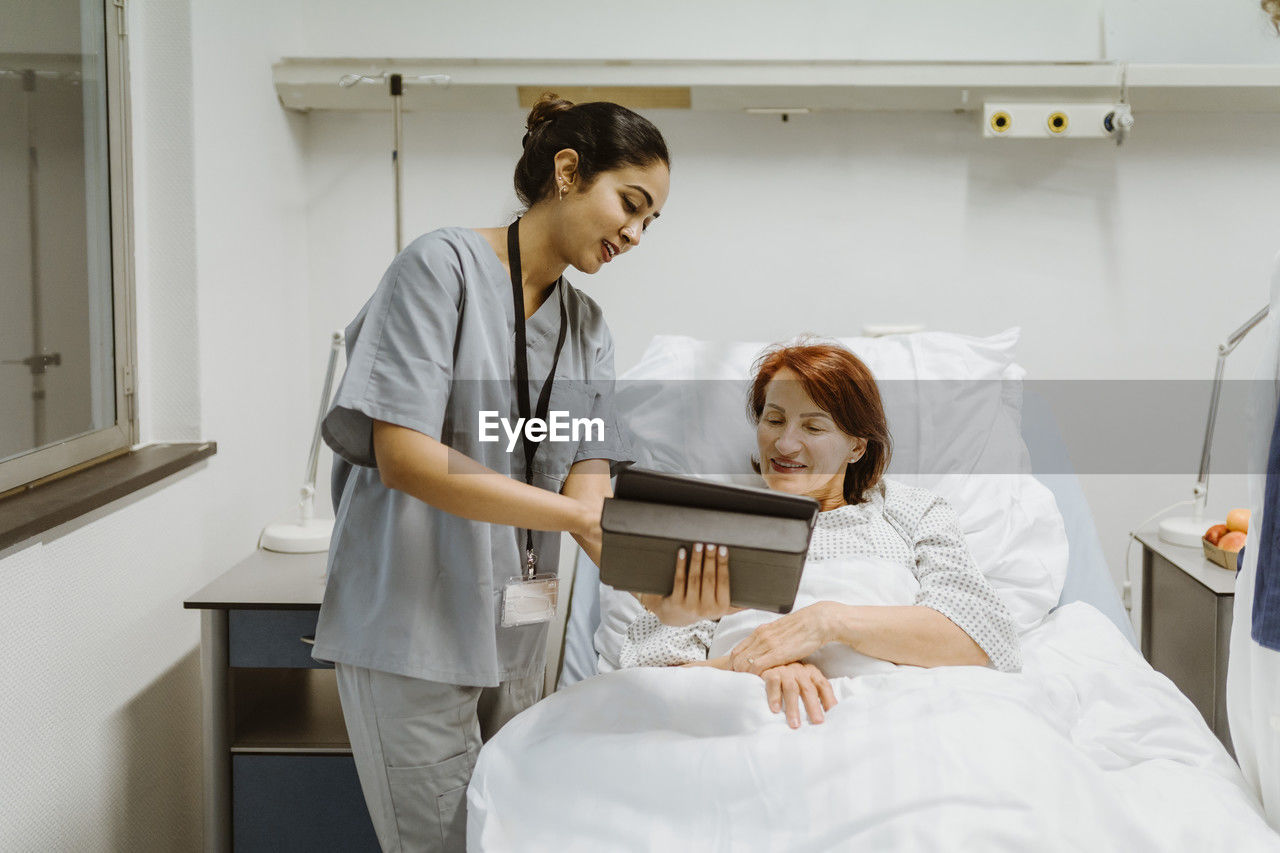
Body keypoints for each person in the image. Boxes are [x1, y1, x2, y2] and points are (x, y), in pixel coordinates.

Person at [311, 93, 670, 851]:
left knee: (509, 835)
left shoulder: (589, 328)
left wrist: (668, 590)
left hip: (516, 633)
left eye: (651, 222)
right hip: (414, 624)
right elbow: (403, 458)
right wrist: (579, 520)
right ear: (568, 171)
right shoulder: (439, 269)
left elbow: (589, 484)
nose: (636, 234)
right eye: (630, 205)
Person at [620, 342, 1020, 729]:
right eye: (774, 420)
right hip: (739, 715)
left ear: (857, 447)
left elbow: (979, 638)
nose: (785, 443)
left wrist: (828, 622)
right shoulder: (715, 523)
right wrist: (764, 665)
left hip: (889, 719)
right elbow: (656, 676)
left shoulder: (912, 512)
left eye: (813, 426)